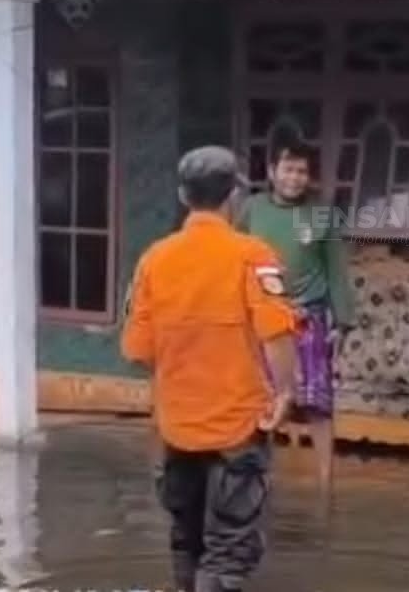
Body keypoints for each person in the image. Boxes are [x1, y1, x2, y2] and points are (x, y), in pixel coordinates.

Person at [122, 145, 300, 592]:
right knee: (229, 548)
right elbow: (276, 333)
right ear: (234, 196)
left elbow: (138, 350)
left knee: (186, 540)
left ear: (184, 196)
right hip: (238, 427)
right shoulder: (254, 255)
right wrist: (284, 393)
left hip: (176, 427)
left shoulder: (154, 260)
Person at [237, 132, 355, 489]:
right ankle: (259, 480)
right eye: (288, 170)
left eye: (302, 171)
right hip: (263, 320)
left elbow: (336, 270)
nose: (294, 178)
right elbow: (234, 260)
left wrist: (343, 323)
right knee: (265, 400)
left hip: (308, 319)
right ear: (272, 171)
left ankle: (325, 483)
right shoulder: (251, 210)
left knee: (318, 404)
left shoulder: (322, 213)